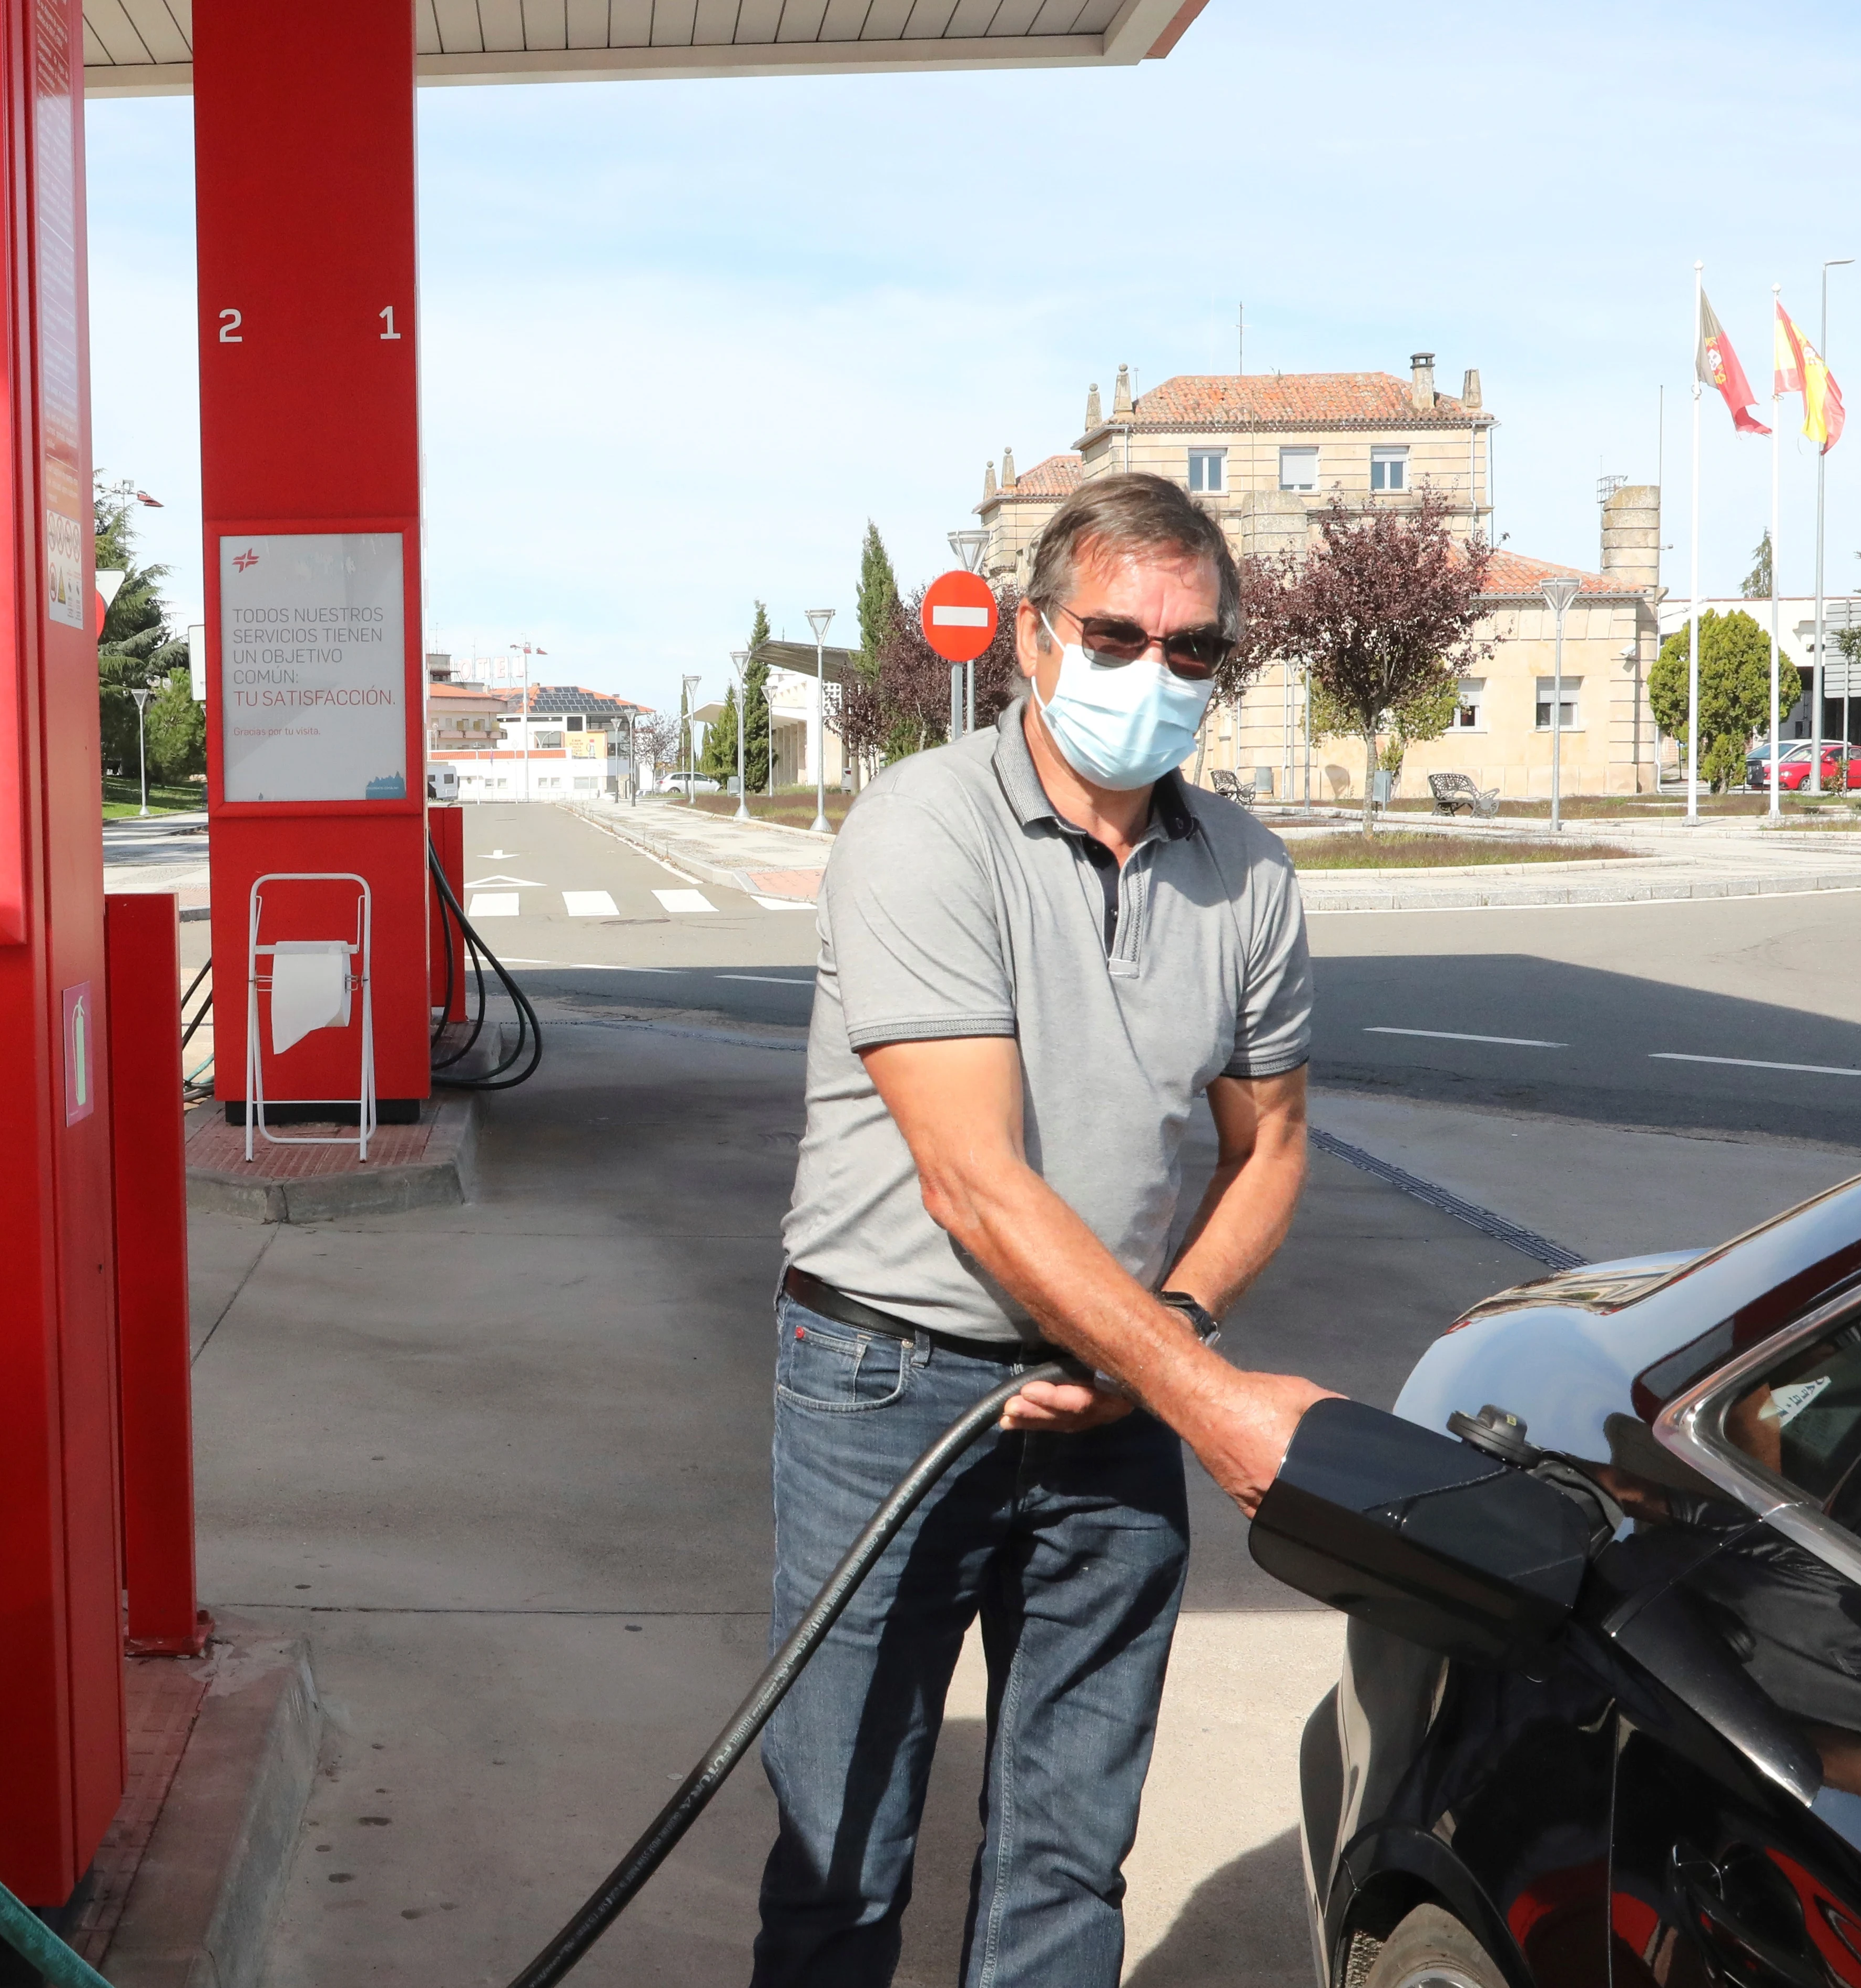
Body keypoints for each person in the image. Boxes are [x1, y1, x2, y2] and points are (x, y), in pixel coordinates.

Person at [757, 472, 1336, 1988]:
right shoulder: (924, 831)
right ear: (1032, 635)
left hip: (1122, 1399)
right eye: (1118, 633)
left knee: (1070, 1865)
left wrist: (1178, 1337)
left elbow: (1268, 1143)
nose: (1156, 673)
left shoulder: (1248, 874)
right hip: (891, 1390)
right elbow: (975, 1181)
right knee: (841, 1856)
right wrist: (1211, 1401)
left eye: (1194, 649)